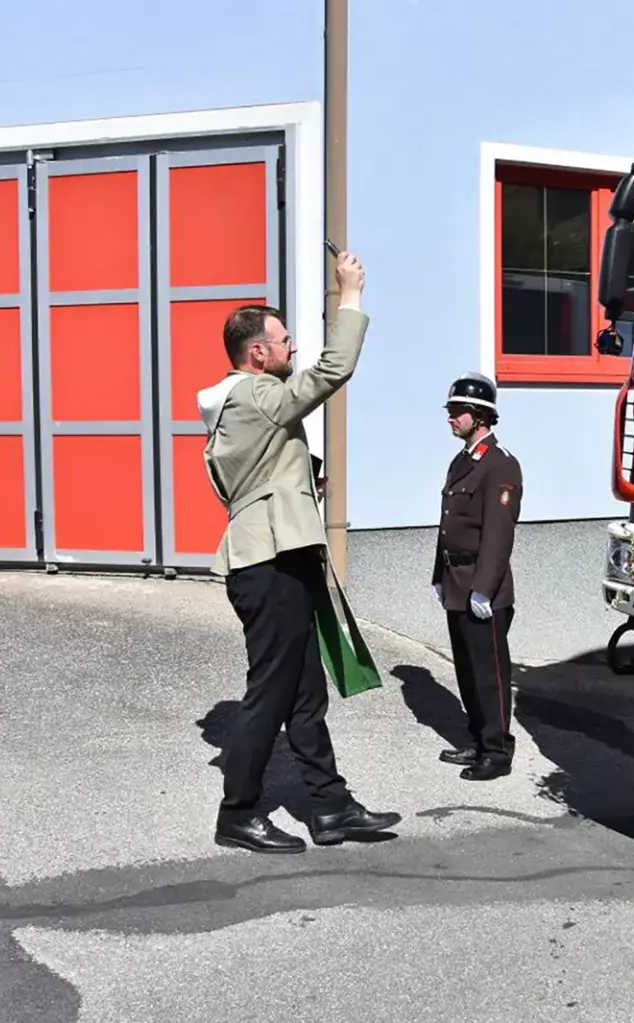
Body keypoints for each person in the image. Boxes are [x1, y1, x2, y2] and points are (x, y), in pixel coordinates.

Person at [197, 250, 401, 853]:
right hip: (267, 565)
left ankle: (330, 807)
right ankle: (237, 812)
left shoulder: (247, 403)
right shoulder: (251, 394)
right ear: (257, 352)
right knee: (271, 690)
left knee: (305, 691)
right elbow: (331, 372)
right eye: (284, 341)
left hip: (282, 558)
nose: (291, 349)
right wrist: (350, 295)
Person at [431, 371, 523, 781]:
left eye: (457, 412)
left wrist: (484, 589)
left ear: (480, 417)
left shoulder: (500, 465)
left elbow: (499, 533)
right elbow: (447, 520)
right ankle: (478, 738)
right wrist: (439, 574)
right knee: (467, 670)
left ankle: (497, 751)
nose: (450, 418)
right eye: (451, 411)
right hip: (456, 581)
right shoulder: (462, 461)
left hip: (482, 586)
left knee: (490, 673)